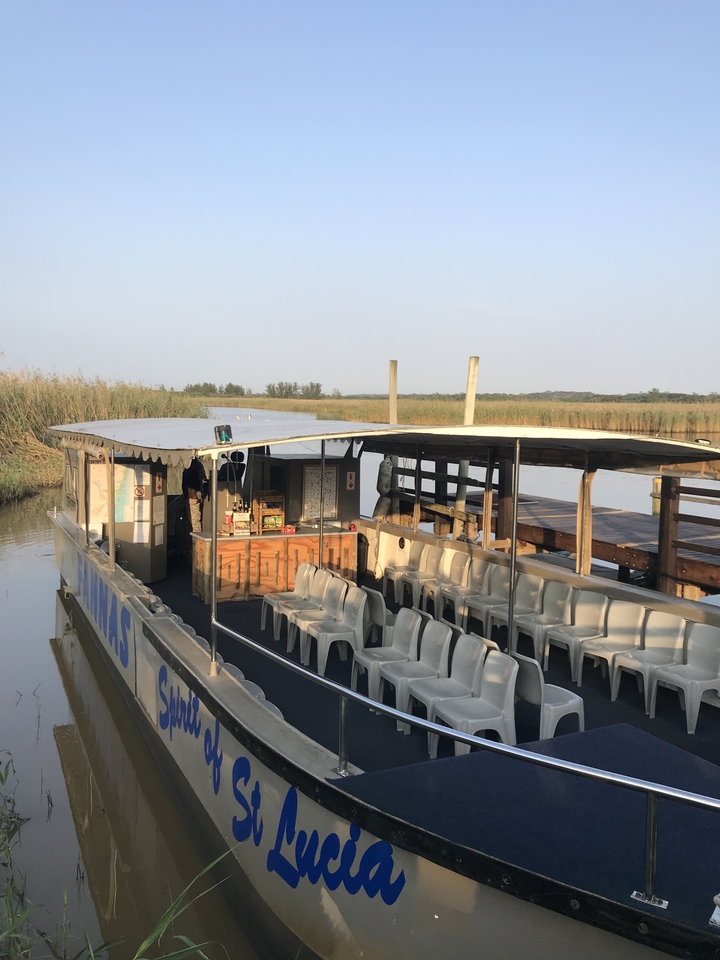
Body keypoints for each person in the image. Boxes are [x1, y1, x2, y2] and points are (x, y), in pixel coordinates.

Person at [182, 457, 206, 533]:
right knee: (172, 508)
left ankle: (197, 542)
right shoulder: (199, 466)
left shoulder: (190, 468)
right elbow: (204, 479)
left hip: (192, 496)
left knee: (195, 522)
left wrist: (195, 496)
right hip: (189, 495)